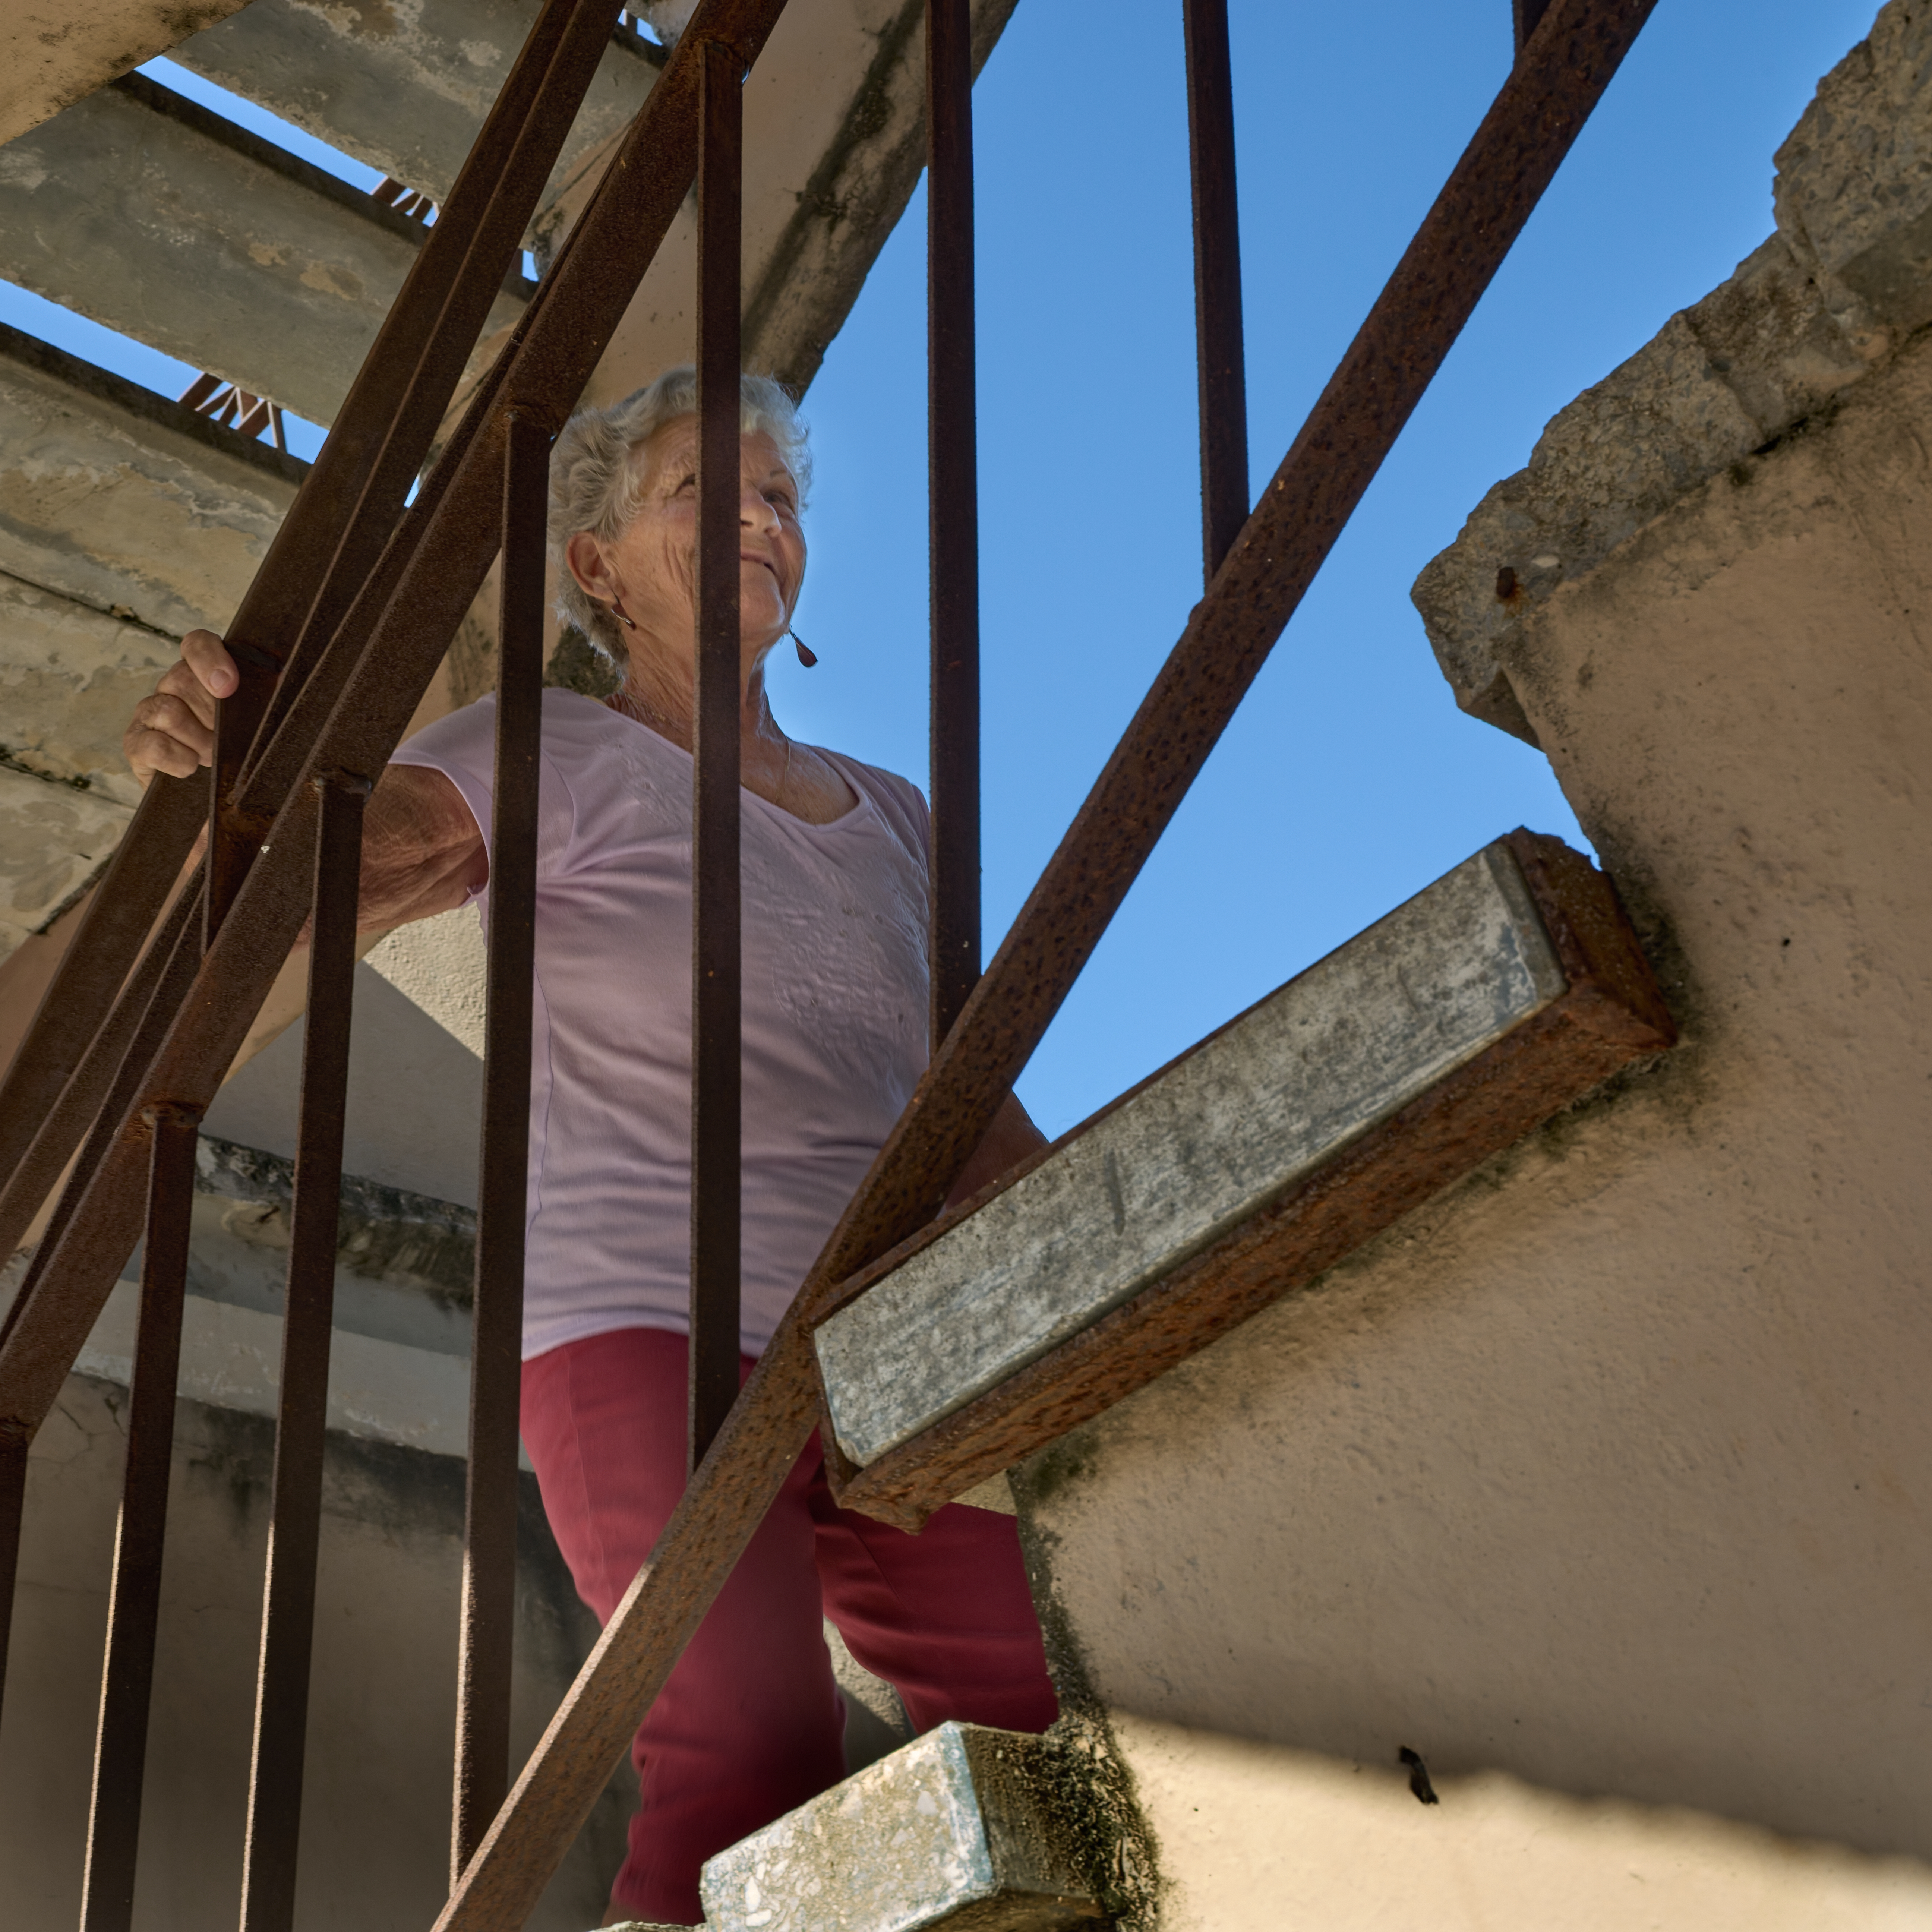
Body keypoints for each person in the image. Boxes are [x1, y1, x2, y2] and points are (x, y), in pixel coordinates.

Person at [123, 367, 1059, 1928]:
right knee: (747, 1751)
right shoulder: (552, 747)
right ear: (596, 567)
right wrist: (229, 779)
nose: (762, 517)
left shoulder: (894, 815)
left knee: (1047, 1708)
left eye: (780, 496)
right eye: (706, 489)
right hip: (644, 1325)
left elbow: (968, 1100)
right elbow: (337, 879)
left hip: (895, 1337)